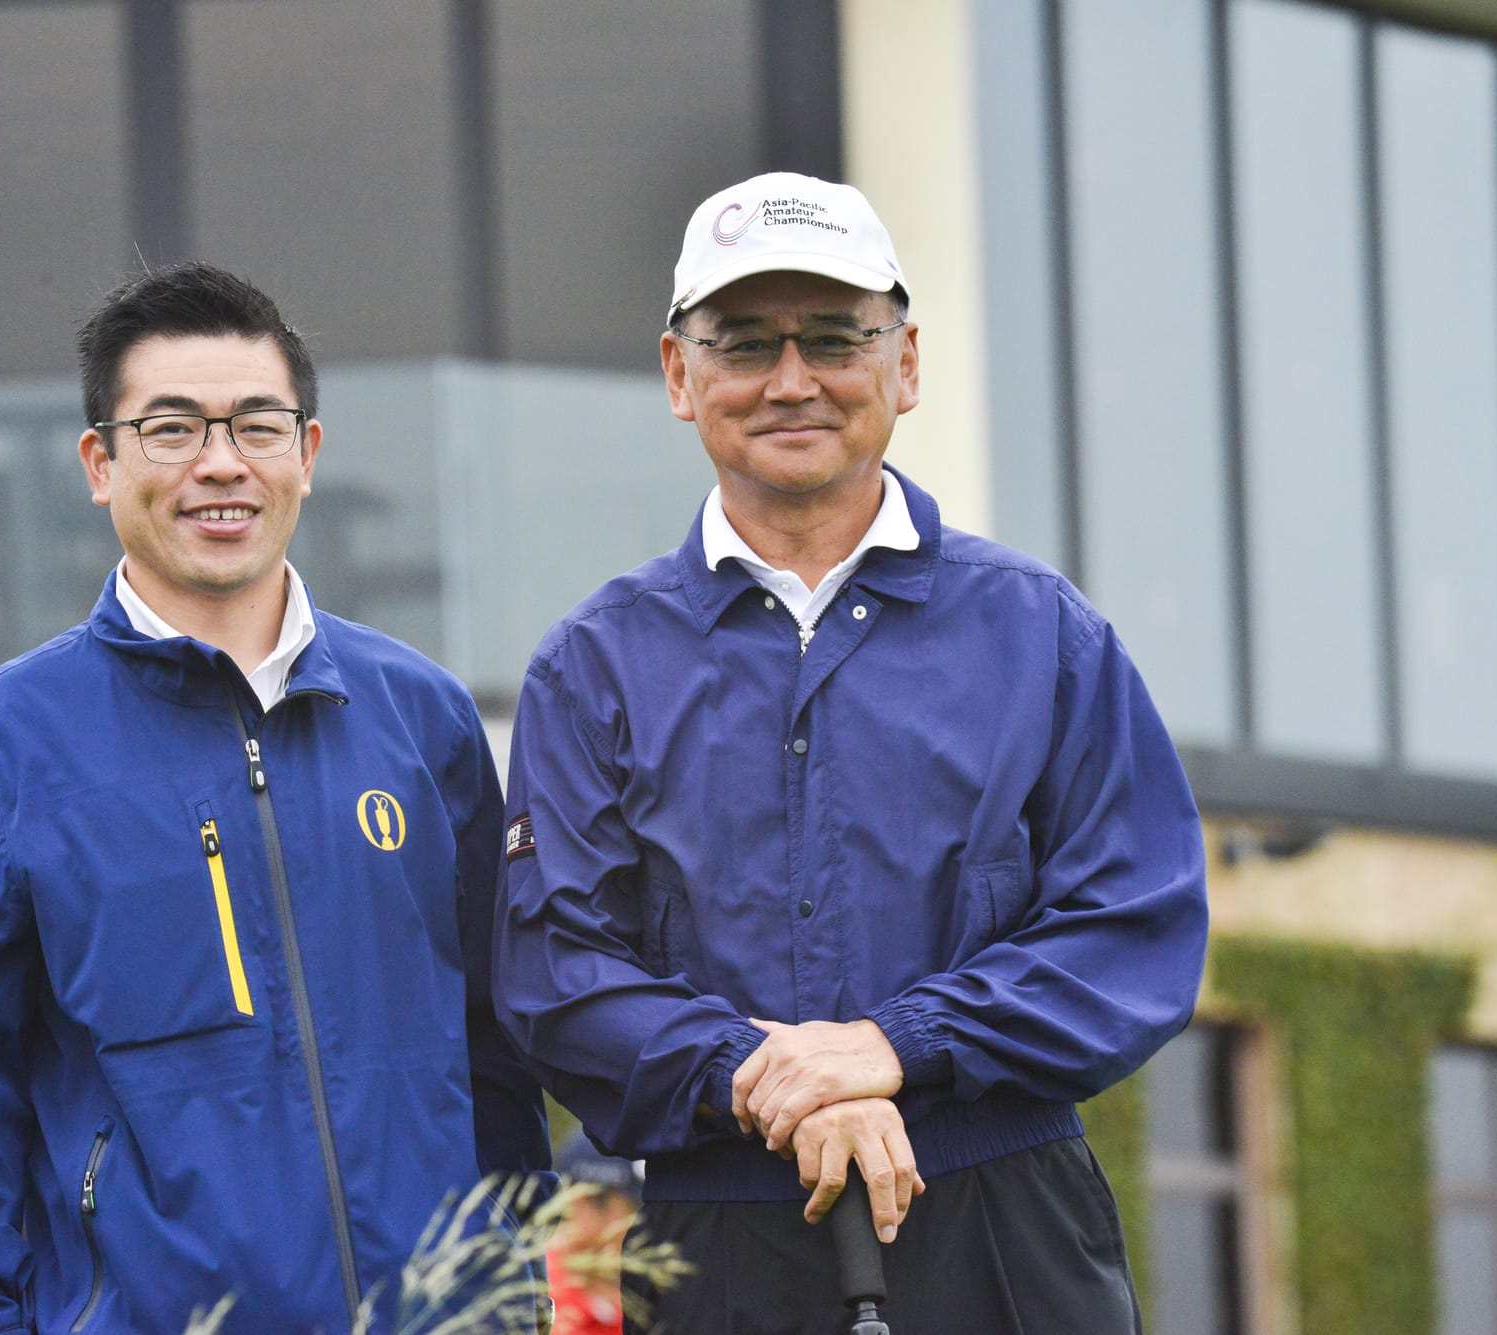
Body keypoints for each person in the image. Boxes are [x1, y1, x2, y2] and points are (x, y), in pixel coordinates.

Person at [492, 173, 1207, 1332]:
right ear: (680, 376)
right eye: (742, 343)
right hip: (713, 1244)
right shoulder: (593, 667)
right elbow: (552, 977)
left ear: (904, 365)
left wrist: (891, 1047)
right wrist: (759, 1079)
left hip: (1001, 1229)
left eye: (832, 338)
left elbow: (1135, 925)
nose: (790, 381)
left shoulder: (1041, 634)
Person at [0, 262, 551, 1335]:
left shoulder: (421, 719)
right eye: (172, 430)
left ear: (308, 453)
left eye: (256, 426)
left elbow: (494, 1050)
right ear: (100, 463)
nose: (220, 465)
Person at [546, 1138, 643, 1335]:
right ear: (584, 1201)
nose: (644, 1221)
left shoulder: (637, 1297)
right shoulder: (542, 1302)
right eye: (636, 1207)